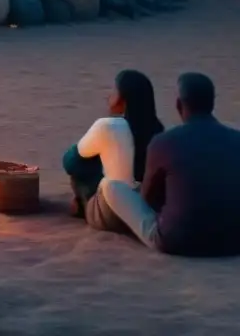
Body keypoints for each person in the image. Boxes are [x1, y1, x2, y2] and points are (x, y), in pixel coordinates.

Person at [99, 73, 240, 256]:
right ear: (212, 103)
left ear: (179, 105)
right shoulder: (237, 139)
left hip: (177, 242)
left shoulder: (163, 142)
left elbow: (147, 199)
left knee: (111, 187)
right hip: (233, 242)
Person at [62, 70, 164, 232]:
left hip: (112, 215)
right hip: (145, 210)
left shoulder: (108, 126)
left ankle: (83, 205)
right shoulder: (159, 131)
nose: (109, 97)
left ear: (122, 99)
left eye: (114, 92)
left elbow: (69, 162)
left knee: (80, 171)